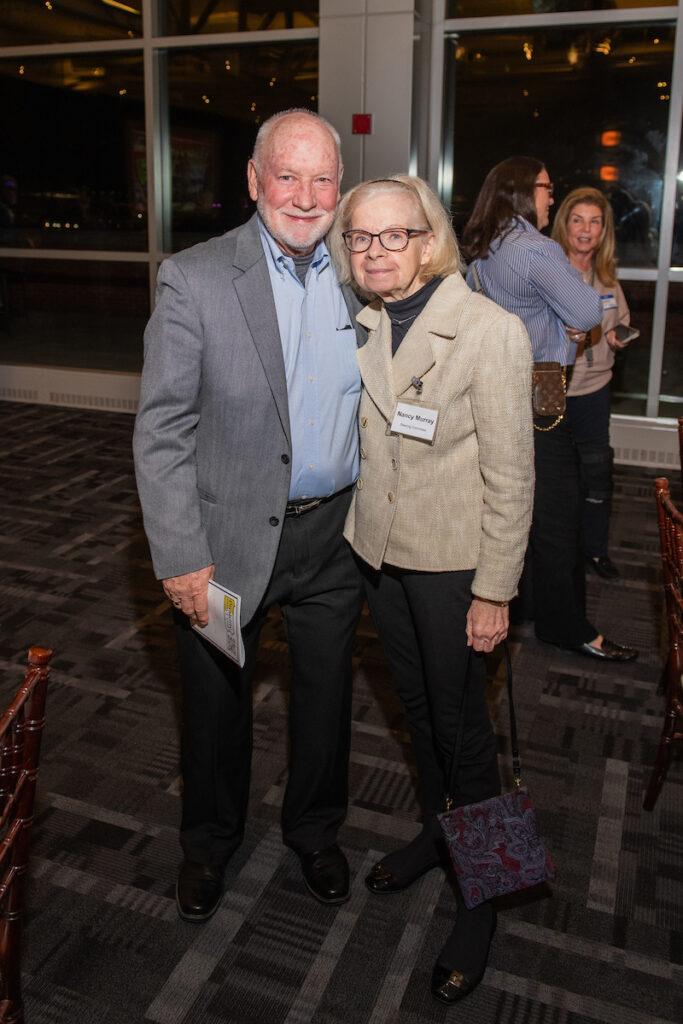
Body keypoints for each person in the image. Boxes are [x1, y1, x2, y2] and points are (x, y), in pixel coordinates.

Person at [133, 109, 365, 923]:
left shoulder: (363, 270)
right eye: (287, 175)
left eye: (322, 178)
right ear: (254, 181)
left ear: (341, 186)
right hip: (225, 535)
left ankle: (314, 831)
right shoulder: (195, 277)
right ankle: (207, 844)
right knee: (214, 707)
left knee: (327, 699)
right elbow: (161, 430)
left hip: (336, 535)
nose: (305, 196)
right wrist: (177, 555)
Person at [328, 174, 534, 1004]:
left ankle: (482, 896)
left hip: (455, 568)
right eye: (360, 238)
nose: (375, 252)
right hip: (381, 558)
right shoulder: (366, 319)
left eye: (392, 236)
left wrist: (494, 590)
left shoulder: (489, 331)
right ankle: (435, 832)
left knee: (464, 734)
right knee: (417, 714)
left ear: (427, 239)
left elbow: (511, 478)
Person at [462, 156, 637, 662]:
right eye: (545, 188)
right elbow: (586, 311)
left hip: (499, 383)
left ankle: (530, 603)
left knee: (521, 501)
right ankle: (567, 626)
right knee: (560, 512)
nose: (551, 198)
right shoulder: (535, 249)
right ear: (522, 191)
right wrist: (568, 323)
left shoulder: (486, 245)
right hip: (541, 388)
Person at [552, 187, 631, 581]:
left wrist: (617, 336)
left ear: (603, 231)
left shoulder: (607, 280)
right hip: (551, 387)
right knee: (553, 479)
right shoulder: (548, 273)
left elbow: (619, 323)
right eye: (578, 219)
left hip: (594, 391)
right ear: (564, 225)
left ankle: (595, 550)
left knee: (597, 473)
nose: (586, 229)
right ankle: (553, 552)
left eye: (595, 221)